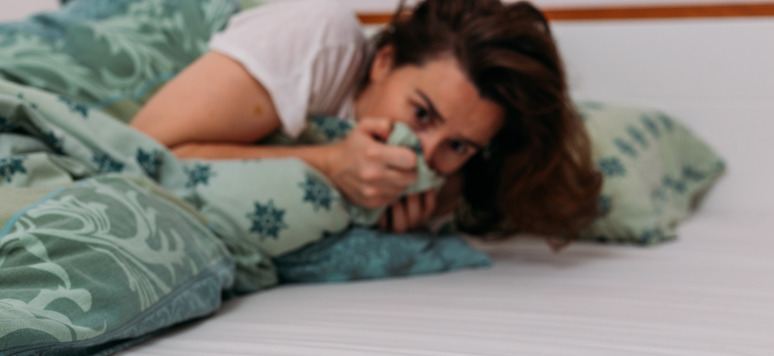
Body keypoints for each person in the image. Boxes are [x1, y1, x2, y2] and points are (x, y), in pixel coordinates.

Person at [130, 0, 602, 248]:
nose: (426, 154)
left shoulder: (446, 184)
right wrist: (329, 164)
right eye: (421, 114)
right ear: (384, 62)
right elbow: (139, 152)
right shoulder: (320, 37)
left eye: (457, 145)